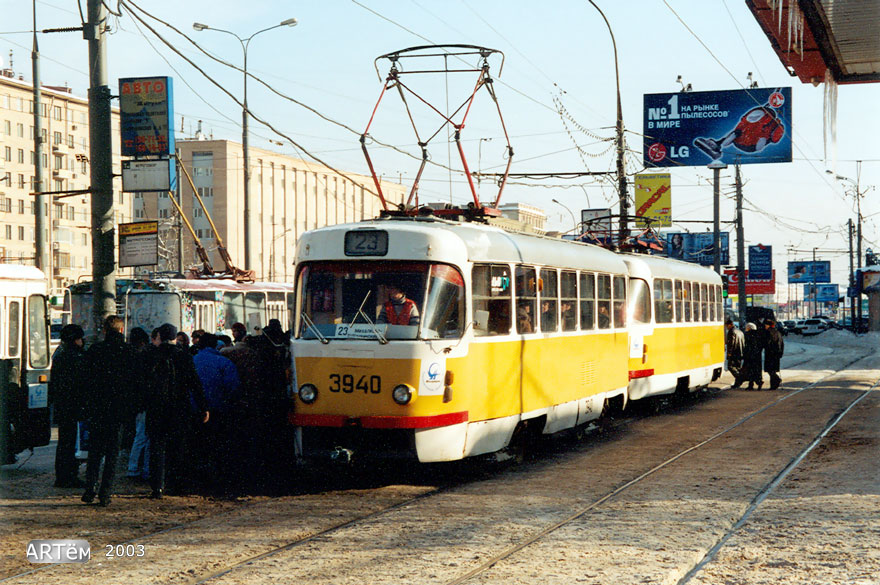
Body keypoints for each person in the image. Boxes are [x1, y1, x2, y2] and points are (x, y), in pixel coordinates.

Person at [145, 323, 209, 499]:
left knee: (156, 447)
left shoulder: (150, 355)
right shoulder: (184, 356)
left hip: (156, 408)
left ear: (159, 336)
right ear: (174, 337)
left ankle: (157, 486)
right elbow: (194, 383)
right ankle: (177, 484)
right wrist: (203, 407)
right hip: (179, 408)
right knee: (178, 447)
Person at [81, 316, 138, 507]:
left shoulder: (95, 351)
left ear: (104, 330)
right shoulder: (129, 352)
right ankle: (105, 493)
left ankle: (90, 488)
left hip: (98, 407)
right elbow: (135, 383)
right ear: (122, 331)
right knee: (113, 453)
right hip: (119, 409)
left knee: (95, 452)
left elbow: (86, 380)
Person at [192, 333, 240, 495]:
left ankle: (199, 477)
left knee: (198, 446)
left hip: (195, 410)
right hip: (219, 410)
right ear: (215, 345)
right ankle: (217, 479)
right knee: (219, 445)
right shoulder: (224, 363)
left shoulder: (192, 361)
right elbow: (233, 387)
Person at [49, 324, 86, 488]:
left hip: (62, 405)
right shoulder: (76, 357)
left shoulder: (59, 354)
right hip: (73, 406)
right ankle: (69, 475)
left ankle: (63, 475)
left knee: (64, 442)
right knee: (70, 443)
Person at [126, 327, 151, 481]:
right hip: (143, 403)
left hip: (134, 403)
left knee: (140, 436)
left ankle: (134, 467)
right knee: (144, 436)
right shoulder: (142, 358)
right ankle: (137, 468)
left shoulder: (127, 355)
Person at [763, 319, 785, 389]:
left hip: (770, 353)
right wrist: (780, 352)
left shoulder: (768, 332)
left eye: (765, 325)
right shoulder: (778, 332)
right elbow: (782, 343)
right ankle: (773, 385)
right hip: (777, 353)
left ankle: (777, 380)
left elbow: (767, 343)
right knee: (773, 369)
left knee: (770, 370)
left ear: (768, 325)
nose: (765, 326)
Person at [742, 322, 764, 390]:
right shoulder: (759, 335)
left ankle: (751, 385)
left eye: (747, 327)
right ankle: (759, 382)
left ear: (749, 328)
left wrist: (745, 353)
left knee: (750, 370)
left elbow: (746, 345)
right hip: (757, 356)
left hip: (749, 355)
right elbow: (761, 345)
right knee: (757, 370)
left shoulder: (747, 334)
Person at [725, 319, 745, 388]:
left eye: (727, 326)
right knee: (738, 367)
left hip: (734, 353)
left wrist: (729, 353)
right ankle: (737, 383)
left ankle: (740, 378)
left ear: (730, 325)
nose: (726, 328)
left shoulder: (732, 332)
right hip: (740, 352)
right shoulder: (740, 331)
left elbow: (731, 343)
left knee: (730, 367)